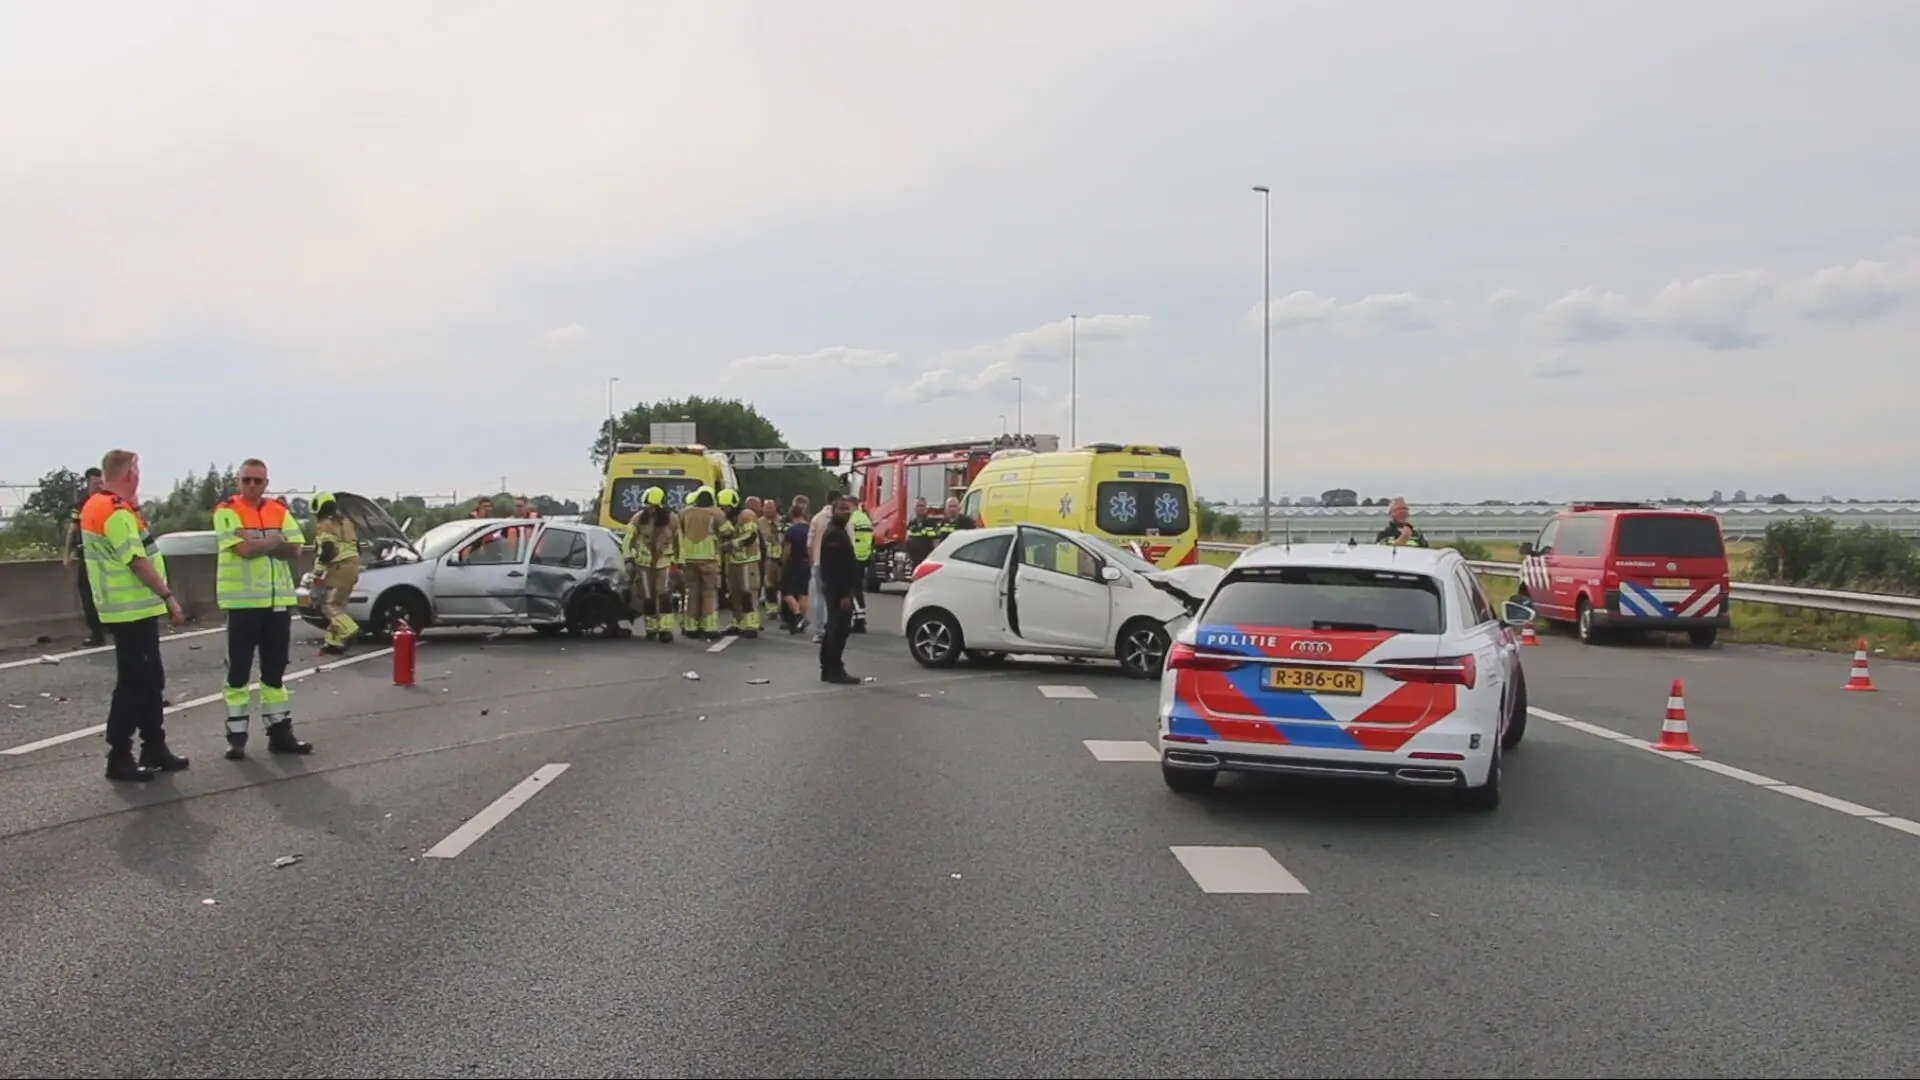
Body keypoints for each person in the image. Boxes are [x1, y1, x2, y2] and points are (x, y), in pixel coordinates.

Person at [80, 449, 188, 782]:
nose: (138, 477)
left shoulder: (103, 506)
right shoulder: (114, 511)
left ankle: (154, 746)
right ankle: (120, 754)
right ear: (129, 474)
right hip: (129, 610)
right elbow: (136, 560)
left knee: (150, 680)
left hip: (129, 609)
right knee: (135, 683)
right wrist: (169, 596)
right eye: (137, 471)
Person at [212, 457, 313, 760]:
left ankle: (280, 732)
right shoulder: (226, 511)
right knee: (239, 672)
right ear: (238, 482)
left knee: (275, 672)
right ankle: (237, 735)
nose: (252, 486)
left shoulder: (278, 510)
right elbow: (243, 551)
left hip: (277, 603)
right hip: (242, 603)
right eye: (247, 480)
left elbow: (294, 550)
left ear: (267, 483)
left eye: (258, 481)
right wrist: (275, 539)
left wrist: (261, 539)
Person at [816, 495, 863, 685]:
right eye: (842, 509)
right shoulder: (835, 534)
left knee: (836, 629)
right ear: (833, 511)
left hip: (840, 590)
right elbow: (835, 567)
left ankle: (830, 667)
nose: (846, 512)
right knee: (838, 629)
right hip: (838, 591)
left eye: (848, 509)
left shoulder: (839, 531)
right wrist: (843, 594)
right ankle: (833, 668)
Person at [624, 486, 680, 642]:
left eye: (652, 505)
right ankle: (651, 628)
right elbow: (629, 539)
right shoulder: (638, 518)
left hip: (663, 561)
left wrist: (680, 559)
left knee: (664, 593)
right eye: (647, 505)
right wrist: (629, 558)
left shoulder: (672, 519)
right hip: (644, 563)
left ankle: (666, 629)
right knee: (648, 596)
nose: (649, 509)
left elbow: (678, 540)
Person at [310, 493, 362, 655]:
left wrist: (318, 572)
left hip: (339, 566)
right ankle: (334, 642)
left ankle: (349, 629)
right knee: (338, 605)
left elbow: (327, 549)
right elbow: (356, 546)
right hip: (353, 566)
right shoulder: (347, 522)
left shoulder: (325, 524)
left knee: (328, 605)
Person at [62, 466, 107, 647]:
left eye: (101, 483)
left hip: (106, 556)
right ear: (88, 483)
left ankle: (110, 627)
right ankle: (97, 633)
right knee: (87, 596)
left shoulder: (108, 502)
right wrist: (67, 554)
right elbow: (73, 530)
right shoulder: (81, 505)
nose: (99, 487)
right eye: (95, 483)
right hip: (87, 556)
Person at [677, 485, 725, 642]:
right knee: (709, 593)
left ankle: (691, 627)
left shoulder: (684, 513)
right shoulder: (716, 513)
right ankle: (709, 628)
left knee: (691, 593)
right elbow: (727, 531)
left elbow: (677, 533)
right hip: (709, 559)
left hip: (688, 558)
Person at [716, 489, 763, 638]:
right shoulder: (725, 517)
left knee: (748, 592)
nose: (724, 510)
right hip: (732, 561)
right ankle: (737, 621)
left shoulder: (747, 516)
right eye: (722, 507)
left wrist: (733, 544)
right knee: (734, 593)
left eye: (726, 507)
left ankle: (751, 624)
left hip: (747, 561)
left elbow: (750, 535)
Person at [780, 504, 813, 633]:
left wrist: (783, 562)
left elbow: (788, 550)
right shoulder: (810, 528)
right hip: (807, 562)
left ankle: (798, 616)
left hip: (794, 562)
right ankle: (801, 620)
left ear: (791, 515)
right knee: (803, 593)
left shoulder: (791, 531)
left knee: (787, 592)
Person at [806, 494, 835, 643]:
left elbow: (810, 543)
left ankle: (819, 631)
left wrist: (812, 561)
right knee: (835, 598)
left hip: (819, 562)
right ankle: (834, 630)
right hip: (837, 565)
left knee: (819, 597)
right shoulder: (843, 519)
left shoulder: (817, 518)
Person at [847, 495, 874, 633]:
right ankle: (860, 618)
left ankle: (859, 620)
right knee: (858, 589)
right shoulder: (864, 518)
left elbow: (849, 538)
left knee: (853, 590)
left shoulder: (852, 519)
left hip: (854, 557)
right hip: (864, 556)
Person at [905, 497, 940, 565]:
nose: (920, 508)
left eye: (922, 506)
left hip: (926, 561)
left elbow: (936, 542)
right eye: (918, 506)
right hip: (913, 561)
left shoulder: (930, 523)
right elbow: (908, 541)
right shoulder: (912, 523)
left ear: (926, 508)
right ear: (914, 508)